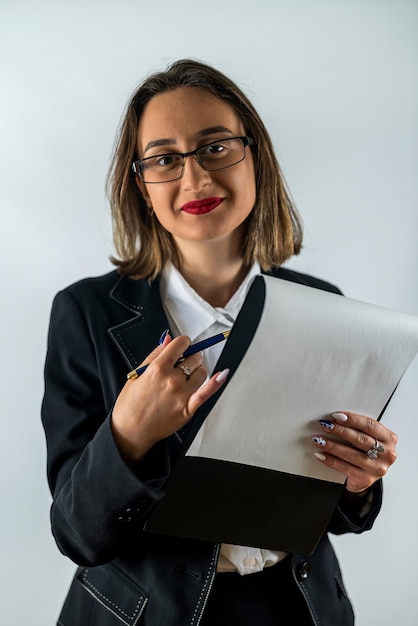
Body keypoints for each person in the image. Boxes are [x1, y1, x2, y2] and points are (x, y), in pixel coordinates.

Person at [41, 59, 398, 626]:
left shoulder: (324, 305)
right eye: (164, 159)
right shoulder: (84, 313)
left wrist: (356, 484)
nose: (196, 179)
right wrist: (128, 436)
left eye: (215, 148)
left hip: (297, 607)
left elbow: (332, 509)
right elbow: (76, 533)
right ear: (141, 183)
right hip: (146, 612)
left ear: (254, 154)